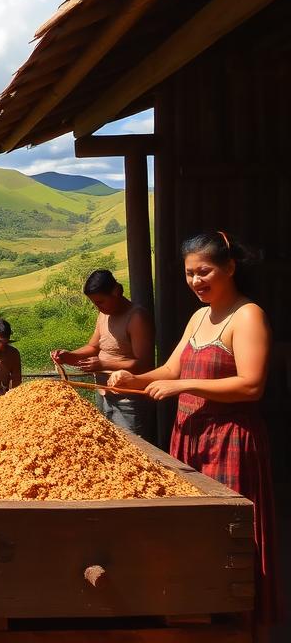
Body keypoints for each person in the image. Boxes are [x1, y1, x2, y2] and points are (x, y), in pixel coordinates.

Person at [108, 232, 278, 627]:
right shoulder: (198, 317)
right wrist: (131, 380)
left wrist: (184, 386)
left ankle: (238, 624)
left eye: (204, 271)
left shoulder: (247, 315)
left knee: (230, 533)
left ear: (230, 267)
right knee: (193, 531)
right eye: (189, 274)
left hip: (230, 439)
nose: (196, 281)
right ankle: (198, 619)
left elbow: (252, 385)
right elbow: (170, 370)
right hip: (189, 437)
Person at [50, 269, 154, 437]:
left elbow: (144, 364)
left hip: (128, 399)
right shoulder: (104, 314)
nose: (98, 307)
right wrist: (69, 356)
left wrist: (103, 364)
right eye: (95, 303)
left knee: (134, 448)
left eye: (100, 302)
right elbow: (93, 347)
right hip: (104, 392)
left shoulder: (137, 317)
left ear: (117, 292)